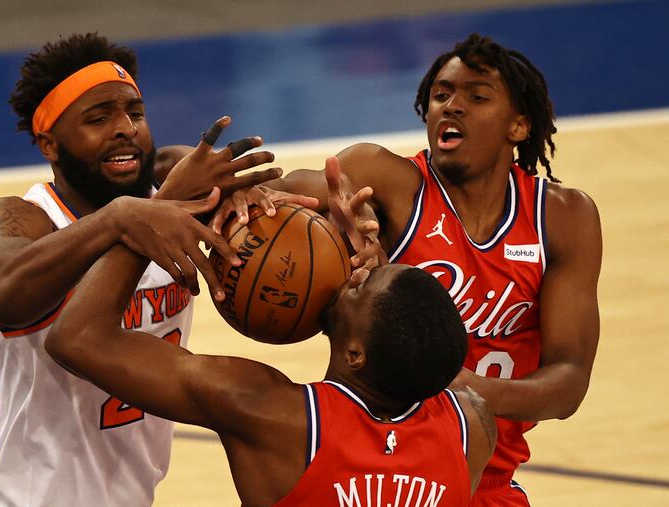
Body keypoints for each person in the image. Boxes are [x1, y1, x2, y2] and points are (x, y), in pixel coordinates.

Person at [224, 33, 602, 505]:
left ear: (520, 126)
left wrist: (458, 386)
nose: (452, 106)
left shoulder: (563, 218)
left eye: (476, 96)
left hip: (489, 477)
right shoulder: (387, 180)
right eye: (441, 95)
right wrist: (250, 195)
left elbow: (568, 382)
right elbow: (301, 190)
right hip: (382, 467)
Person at [0, 32, 288, 507]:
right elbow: (4, 296)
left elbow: (175, 163)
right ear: (49, 145)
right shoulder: (22, 217)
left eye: (134, 113)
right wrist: (118, 218)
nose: (124, 129)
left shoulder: (171, 195)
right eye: (98, 119)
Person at [43, 188, 497, 505]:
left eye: (362, 286)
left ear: (356, 354)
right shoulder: (471, 424)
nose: (355, 271)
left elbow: (76, 337)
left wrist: (140, 218)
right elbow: (426, 349)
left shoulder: (270, 414)